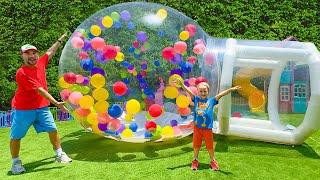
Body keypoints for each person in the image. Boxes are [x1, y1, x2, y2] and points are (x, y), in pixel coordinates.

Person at [10, 33, 72, 175]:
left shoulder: (41, 63)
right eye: (28, 54)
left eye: (34, 53)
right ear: (22, 56)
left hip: (41, 107)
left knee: (53, 129)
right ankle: (15, 162)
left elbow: (50, 51)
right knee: (16, 136)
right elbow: (40, 90)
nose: (32, 56)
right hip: (23, 109)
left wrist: (60, 40)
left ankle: (59, 154)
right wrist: (56, 103)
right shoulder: (22, 73)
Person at [176, 78, 241, 171]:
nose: (203, 93)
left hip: (208, 129)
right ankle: (195, 160)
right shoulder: (196, 99)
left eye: (205, 91)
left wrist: (231, 89)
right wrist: (182, 85)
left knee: (209, 145)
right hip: (197, 128)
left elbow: (221, 94)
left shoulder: (212, 100)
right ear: (198, 92)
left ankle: (213, 161)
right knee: (196, 145)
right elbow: (189, 91)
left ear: (208, 91)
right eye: (201, 91)